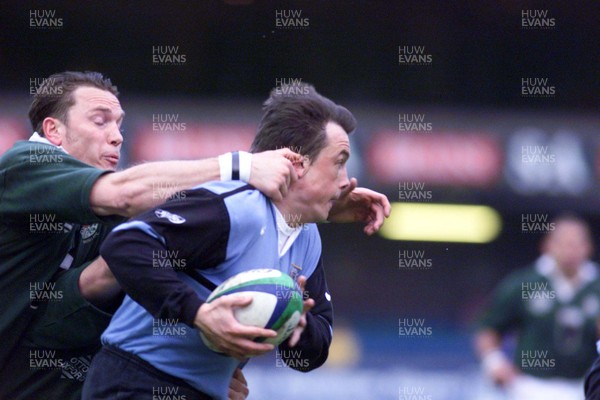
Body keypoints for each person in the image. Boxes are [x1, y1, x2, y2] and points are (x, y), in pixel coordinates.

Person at [0, 72, 390, 400]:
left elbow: (148, 214)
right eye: (101, 121)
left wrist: (317, 198)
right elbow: (127, 200)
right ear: (52, 130)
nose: (117, 136)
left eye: (120, 124)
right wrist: (241, 166)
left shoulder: (108, 210)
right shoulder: (27, 165)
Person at [474, 215, 600, 400]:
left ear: (588, 247)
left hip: (586, 387)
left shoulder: (597, 286)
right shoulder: (524, 283)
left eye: (576, 243)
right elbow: (488, 326)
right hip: (532, 387)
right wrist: (494, 363)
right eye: (564, 243)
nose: (570, 250)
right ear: (547, 245)